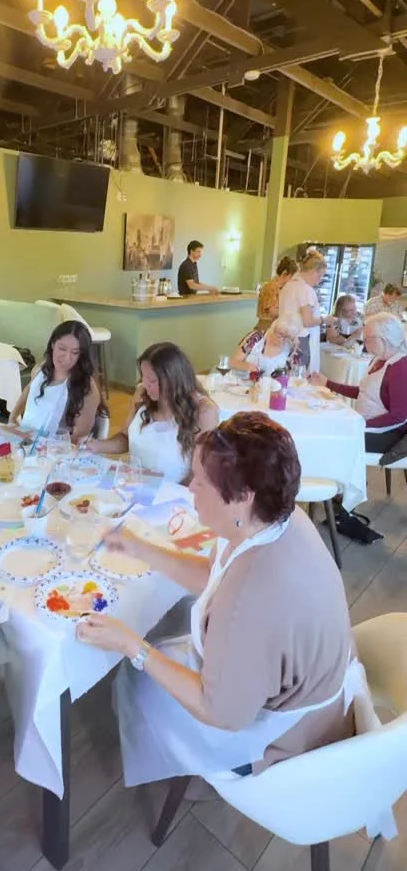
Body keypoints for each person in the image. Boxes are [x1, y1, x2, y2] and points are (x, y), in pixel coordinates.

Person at [78, 413, 367, 787]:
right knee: (158, 654)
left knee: (136, 681)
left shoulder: (251, 598)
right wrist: (139, 548)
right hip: (306, 678)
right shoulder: (279, 518)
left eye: (201, 481)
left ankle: (197, 770)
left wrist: (132, 646)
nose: (190, 487)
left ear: (243, 496)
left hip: (284, 736)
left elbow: (220, 712)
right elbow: (213, 576)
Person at [88, 342, 218, 483]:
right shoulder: (143, 393)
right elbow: (125, 438)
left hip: (174, 490)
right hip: (135, 482)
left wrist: (165, 491)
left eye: (152, 380)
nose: (145, 384)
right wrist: (96, 445)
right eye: (143, 377)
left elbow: (199, 473)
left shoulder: (204, 411)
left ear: (173, 380)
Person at [311, 313, 407, 454]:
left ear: (383, 339)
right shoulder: (377, 359)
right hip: (366, 423)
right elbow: (363, 392)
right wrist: (327, 383)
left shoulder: (400, 367)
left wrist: (360, 424)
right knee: (325, 425)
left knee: (332, 440)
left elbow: (399, 417)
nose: (364, 342)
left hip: (388, 433)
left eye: (368, 338)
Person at [9, 320, 100, 442]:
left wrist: (48, 448)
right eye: (62, 349)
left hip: (58, 447)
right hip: (26, 439)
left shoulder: (86, 387)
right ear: (52, 344)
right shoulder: (40, 369)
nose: (67, 358)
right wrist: (13, 417)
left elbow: (79, 436)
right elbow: (29, 390)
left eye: (75, 352)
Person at [278, 250, 337, 371]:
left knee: (284, 370)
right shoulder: (306, 290)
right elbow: (307, 321)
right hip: (301, 339)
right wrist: (324, 320)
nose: (319, 280)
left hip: (283, 335)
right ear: (313, 272)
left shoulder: (287, 286)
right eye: (320, 276)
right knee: (299, 373)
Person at [229, 316, 304, 376]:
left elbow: (295, 377)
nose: (282, 340)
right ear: (273, 328)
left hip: (272, 389)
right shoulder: (256, 338)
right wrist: (247, 366)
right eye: (280, 334)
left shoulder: (293, 349)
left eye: (287, 337)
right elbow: (233, 362)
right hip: (242, 385)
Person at [256, 256, 297, 329]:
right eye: (291, 277)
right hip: (266, 328)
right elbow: (273, 311)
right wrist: (293, 313)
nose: (292, 281)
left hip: (274, 327)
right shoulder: (271, 287)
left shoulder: (282, 288)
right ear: (284, 273)